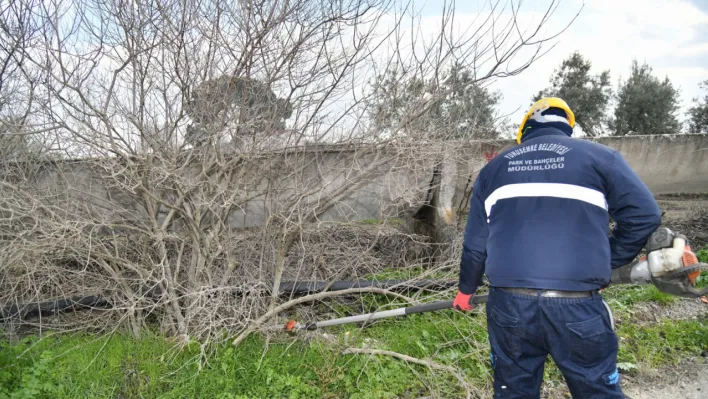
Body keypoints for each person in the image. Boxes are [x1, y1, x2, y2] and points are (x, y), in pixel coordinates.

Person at [452, 97, 662, 398]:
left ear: (525, 129)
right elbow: (644, 215)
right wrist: (608, 262)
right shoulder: (602, 158)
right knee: (596, 391)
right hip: (577, 305)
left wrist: (465, 291)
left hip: (510, 307)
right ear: (568, 127)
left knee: (514, 391)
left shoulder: (493, 169)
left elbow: (475, 246)